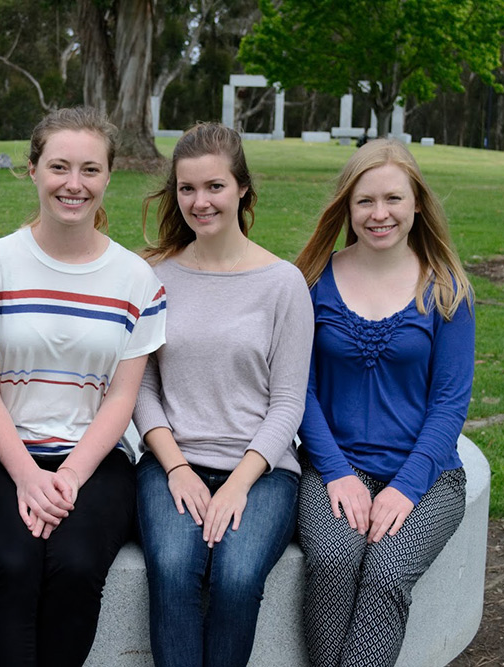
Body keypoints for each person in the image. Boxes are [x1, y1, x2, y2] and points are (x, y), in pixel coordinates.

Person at [0, 106, 167, 667]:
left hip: (94, 462)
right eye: (59, 167)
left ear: (107, 178)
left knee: (75, 566)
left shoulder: (136, 279)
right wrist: (27, 475)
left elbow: (123, 397)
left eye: (90, 170)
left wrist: (69, 474)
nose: (74, 185)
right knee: (13, 562)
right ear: (32, 171)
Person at [133, 122, 314, 667]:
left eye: (214, 186)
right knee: (171, 569)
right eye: (186, 188)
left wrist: (238, 482)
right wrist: (176, 468)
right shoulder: (154, 277)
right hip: (173, 462)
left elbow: (288, 402)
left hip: (261, 470)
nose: (199, 201)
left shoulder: (284, 284)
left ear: (242, 189)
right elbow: (143, 388)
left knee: (236, 577)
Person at [293, 139, 475, 667]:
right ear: (347, 208)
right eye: (364, 201)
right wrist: (336, 473)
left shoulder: (446, 291)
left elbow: (448, 406)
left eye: (393, 199)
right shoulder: (312, 282)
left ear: (417, 203)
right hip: (334, 468)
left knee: (387, 571)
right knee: (332, 559)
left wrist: (406, 487)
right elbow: (299, 392)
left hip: (428, 476)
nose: (380, 214)